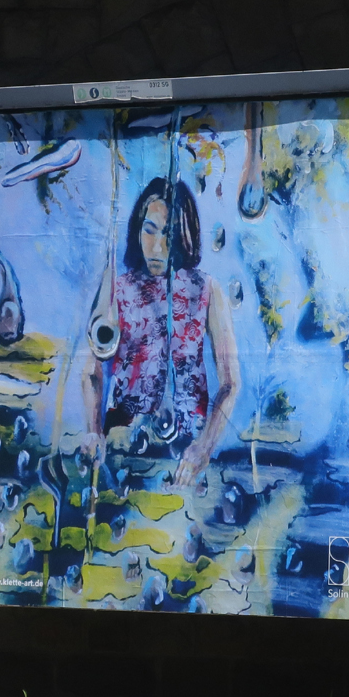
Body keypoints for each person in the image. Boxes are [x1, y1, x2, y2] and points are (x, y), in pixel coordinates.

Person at [79, 177, 239, 486]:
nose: (157, 246)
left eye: (168, 234)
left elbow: (230, 383)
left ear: (183, 236)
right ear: (137, 231)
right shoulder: (118, 289)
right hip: (123, 449)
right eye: (149, 231)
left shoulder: (207, 291)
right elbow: (91, 371)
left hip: (186, 455)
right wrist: (93, 431)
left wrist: (204, 447)